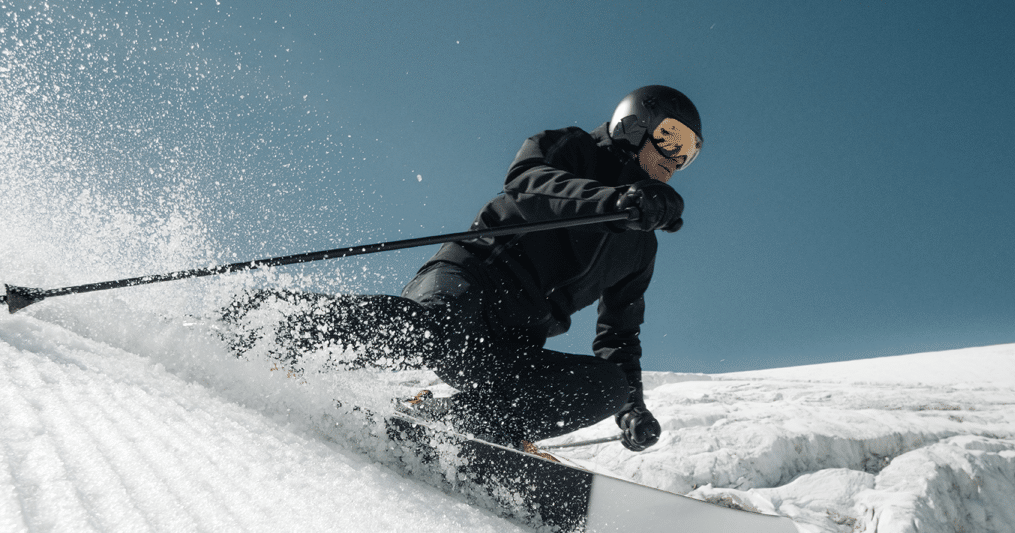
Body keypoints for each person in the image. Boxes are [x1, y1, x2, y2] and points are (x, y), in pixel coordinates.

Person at [225, 84, 702, 454]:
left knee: (607, 386)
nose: (675, 159)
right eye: (670, 138)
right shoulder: (573, 148)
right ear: (634, 124)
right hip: (470, 283)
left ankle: (455, 427)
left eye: (689, 152)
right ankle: (265, 326)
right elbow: (528, 182)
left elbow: (619, 336)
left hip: (508, 346)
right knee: (430, 328)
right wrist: (614, 201)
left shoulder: (639, 249)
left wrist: (632, 409)